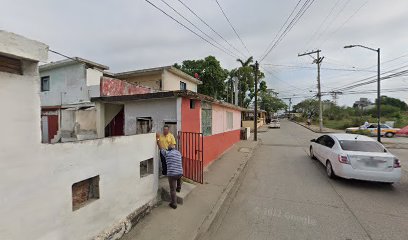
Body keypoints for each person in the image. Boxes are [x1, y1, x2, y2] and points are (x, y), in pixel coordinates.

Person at [156, 133, 183, 209]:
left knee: (172, 189)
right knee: (179, 175)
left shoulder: (166, 153)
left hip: (172, 174)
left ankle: (174, 204)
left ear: (168, 149)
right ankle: (179, 187)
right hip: (180, 172)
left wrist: (158, 139)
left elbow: (160, 147)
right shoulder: (178, 153)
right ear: (174, 149)